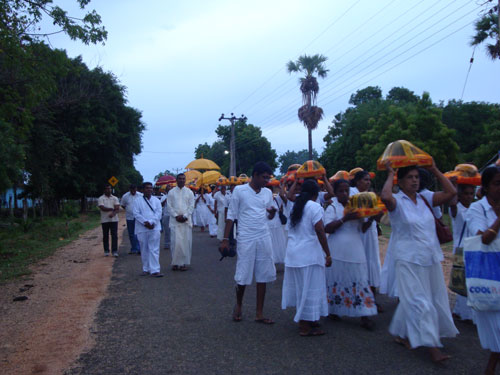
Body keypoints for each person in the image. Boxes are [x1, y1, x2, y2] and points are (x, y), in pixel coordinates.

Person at [381, 159, 458, 363]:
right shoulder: (397, 201)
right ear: (401, 181)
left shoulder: (425, 198)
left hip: (430, 257)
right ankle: (433, 349)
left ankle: (402, 333)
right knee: (419, 302)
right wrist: (391, 174)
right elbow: (385, 196)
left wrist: (434, 168)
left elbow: (451, 193)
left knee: (432, 299)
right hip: (407, 259)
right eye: (410, 178)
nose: (414, 181)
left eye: (416, 177)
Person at [221, 162, 277, 324]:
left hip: (263, 235)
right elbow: (231, 215)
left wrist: (272, 214)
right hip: (246, 236)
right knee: (243, 273)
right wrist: (225, 239)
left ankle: (259, 313)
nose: (266, 180)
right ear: (255, 175)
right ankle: (238, 305)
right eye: (264, 177)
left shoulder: (267, 193)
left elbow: (269, 216)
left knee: (264, 273)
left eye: (268, 177)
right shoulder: (239, 191)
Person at [324, 179, 377, 330]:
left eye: (346, 191)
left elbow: (363, 228)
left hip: (355, 247)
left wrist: (372, 217)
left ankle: (365, 315)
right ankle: (334, 310)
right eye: (341, 191)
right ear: (335, 192)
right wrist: (345, 218)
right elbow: (327, 228)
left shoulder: (356, 205)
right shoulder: (332, 207)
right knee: (337, 279)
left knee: (359, 279)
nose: (344, 194)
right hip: (337, 248)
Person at [282, 179, 332, 336]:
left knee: (303, 289)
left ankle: (310, 320)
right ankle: (304, 325)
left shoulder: (296, 205)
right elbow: (319, 230)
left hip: (294, 254)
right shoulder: (315, 206)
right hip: (309, 255)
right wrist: (328, 253)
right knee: (310, 288)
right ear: (316, 193)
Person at [465, 165, 500, 375]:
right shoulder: (476, 209)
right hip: (488, 275)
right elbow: (484, 239)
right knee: (496, 328)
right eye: (497, 184)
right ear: (485, 187)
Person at [350, 171, 383, 311]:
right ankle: (361, 298)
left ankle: (371, 298)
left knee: (373, 263)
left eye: (369, 180)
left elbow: (377, 216)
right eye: (365, 180)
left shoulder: (371, 195)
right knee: (362, 265)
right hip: (359, 234)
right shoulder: (352, 194)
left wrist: (377, 216)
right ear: (357, 181)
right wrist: (371, 217)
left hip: (371, 232)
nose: (368, 182)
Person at [449, 183, 475, 322]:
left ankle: (460, 311)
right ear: (460, 195)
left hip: (473, 249)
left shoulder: (475, 209)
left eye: (471, 193)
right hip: (461, 250)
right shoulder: (456, 209)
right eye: (466, 193)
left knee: (469, 282)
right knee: (461, 282)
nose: (469, 197)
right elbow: (452, 204)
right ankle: (464, 313)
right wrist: (453, 187)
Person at [133, 182, 163, 277]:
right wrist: (145, 222)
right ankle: (146, 269)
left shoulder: (156, 200)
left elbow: (159, 213)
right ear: (142, 190)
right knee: (144, 249)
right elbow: (136, 213)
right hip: (142, 228)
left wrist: (152, 222)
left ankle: (155, 270)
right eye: (147, 188)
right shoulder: (137, 201)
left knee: (154, 249)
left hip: (154, 227)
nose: (149, 190)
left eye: (150, 188)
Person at [167, 173, 195, 271]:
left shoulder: (189, 192)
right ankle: (175, 263)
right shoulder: (171, 192)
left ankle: (182, 263)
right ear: (176, 180)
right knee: (175, 242)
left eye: (183, 179)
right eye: (180, 178)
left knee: (185, 242)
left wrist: (185, 216)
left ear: (185, 180)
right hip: (175, 221)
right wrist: (176, 216)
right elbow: (169, 206)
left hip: (186, 221)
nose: (182, 180)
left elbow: (191, 206)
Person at [98, 185, 120, 257]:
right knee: (105, 235)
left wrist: (113, 213)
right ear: (104, 190)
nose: (108, 190)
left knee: (114, 235)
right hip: (105, 220)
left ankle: (114, 251)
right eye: (107, 189)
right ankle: (106, 250)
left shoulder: (115, 198)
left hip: (114, 220)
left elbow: (117, 208)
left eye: (109, 189)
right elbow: (102, 208)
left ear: (111, 190)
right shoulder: (101, 198)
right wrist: (111, 209)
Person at [267, 184, 287, 265]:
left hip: (277, 225)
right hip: (268, 226)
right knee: (270, 245)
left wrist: (280, 186)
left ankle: (277, 261)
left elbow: (283, 195)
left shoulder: (276, 200)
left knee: (278, 245)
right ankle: (271, 262)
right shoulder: (262, 201)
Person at [121, 184, 142, 255]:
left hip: (139, 217)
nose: (133, 191)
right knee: (131, 234)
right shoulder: (125, 196)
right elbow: (123, 205)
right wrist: (129, 210)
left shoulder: (140, 195)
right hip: (129, 217)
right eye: (132, 190)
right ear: (129, 189)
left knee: (139, 233)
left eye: (134, 190)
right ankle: (134, 248)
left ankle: (139, 248)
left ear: (136, 189)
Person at [160, 185, 172, 250]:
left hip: (173, 215)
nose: (169, 190)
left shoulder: (174, 197)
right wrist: (166, 199)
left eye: (170, 189)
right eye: (168, 189)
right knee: (167, 231)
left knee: (173, 231)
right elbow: (161, 205)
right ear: (166, 190)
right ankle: (167, 244)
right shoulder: (164, 197)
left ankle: (173, 244)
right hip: (166, 215)